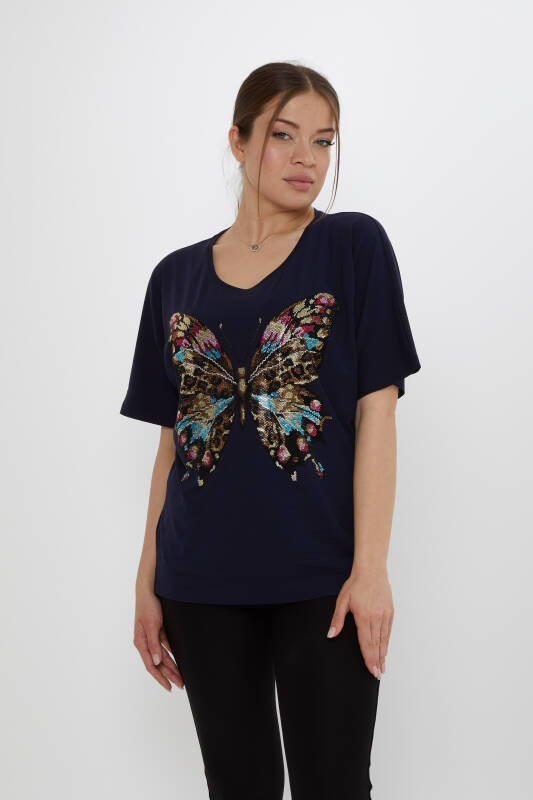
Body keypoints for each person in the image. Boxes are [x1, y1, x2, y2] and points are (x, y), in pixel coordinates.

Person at [120, 61, 422, 800]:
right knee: (238, 786)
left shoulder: (352, 247)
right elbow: (172, 446)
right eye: (284, 135)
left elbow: (377, 413)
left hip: (322, 578)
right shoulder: (174, 278)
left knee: (335, 785)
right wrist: (146, 581)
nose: (305, 159)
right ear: (238, 140)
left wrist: (370, 571)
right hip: (199, 580)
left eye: (323, 141)